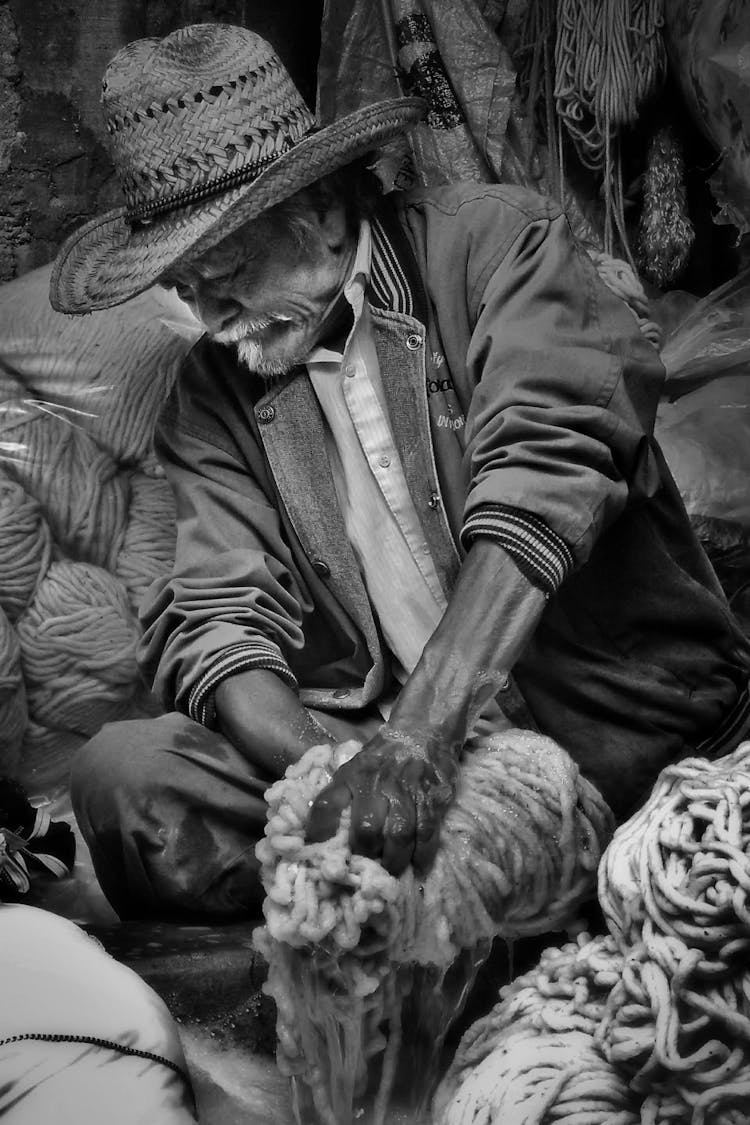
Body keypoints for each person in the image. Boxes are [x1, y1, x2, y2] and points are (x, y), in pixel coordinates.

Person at [51, 22, 750, 921]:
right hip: (378, 743)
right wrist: (329, 769)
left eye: (226, 273)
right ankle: (424, 897)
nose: (212, 314)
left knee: (651, 867)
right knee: (124, 778)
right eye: (187, 290)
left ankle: (477, 898)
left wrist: (420, 741)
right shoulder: (212, 391)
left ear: (327, 213)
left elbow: (544, 471)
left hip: (595, 730)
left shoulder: (500, 247)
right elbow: (219, 617)